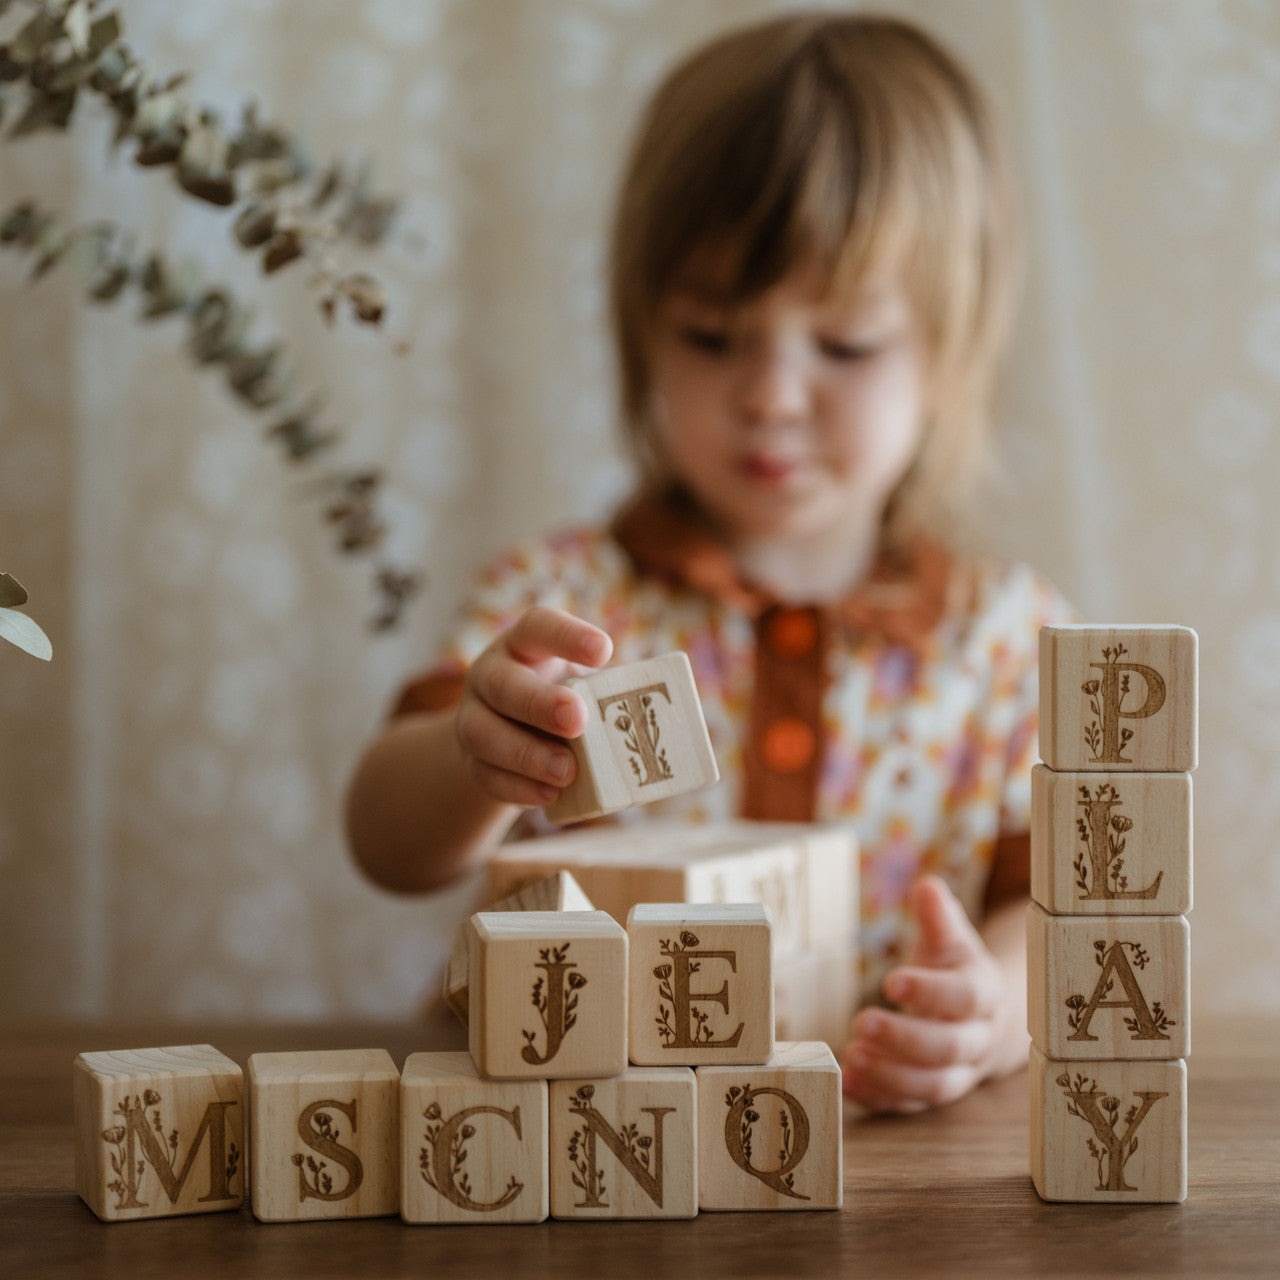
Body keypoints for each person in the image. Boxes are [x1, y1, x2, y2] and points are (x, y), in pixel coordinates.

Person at [345, 11, 1071, 1114]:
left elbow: (1054, 912)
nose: (771, 394)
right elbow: (386, 843)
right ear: (642, 336)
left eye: (842, 345)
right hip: (559, 1132)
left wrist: (993, 1011)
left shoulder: (1007, 639)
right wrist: (471, 758)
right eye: (710, 333)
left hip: (864, 1157)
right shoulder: (562, 601)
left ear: (947, 353)